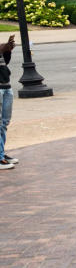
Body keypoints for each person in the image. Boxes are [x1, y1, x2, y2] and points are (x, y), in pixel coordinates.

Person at [0, 35, 17, 170]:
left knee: (4, 123)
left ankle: (1, 153)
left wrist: (7, 51)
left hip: (6, 86)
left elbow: (4, 63)